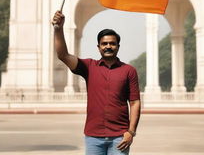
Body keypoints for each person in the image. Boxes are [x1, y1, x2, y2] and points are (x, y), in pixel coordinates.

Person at [52, 10, 141, 155]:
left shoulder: (128, 70)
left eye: (112, 43)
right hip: (93, 137)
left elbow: (135, 102)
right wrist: (58, 29)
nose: (108, 46)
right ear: (98, 47)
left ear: (118, 46)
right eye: (104, 43)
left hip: (120, 136)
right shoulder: (89, 67)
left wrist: (131, 132)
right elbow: (63, 55)